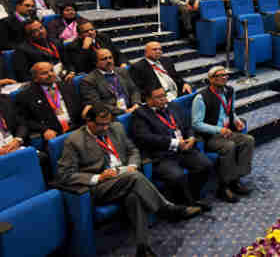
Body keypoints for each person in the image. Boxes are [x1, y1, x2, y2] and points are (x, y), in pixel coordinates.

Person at [57, 104, 201, 257]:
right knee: (135, 177)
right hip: (101, 186)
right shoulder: (74, 141)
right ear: (89, 122)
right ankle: (167, 209)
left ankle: (142, 248)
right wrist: (98, 177)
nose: (106, 128)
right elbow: (64, 174)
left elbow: (133, 150)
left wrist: (132, 165)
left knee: (134, 196)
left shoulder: (116, 128)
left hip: (126, 175)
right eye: (101, 125)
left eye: (108, 123)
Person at [131, 87, 213, 210]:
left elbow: (187, 125)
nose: (164, 99)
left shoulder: (172, 106)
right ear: (148, 100)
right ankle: (186, 206)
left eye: (164, 95)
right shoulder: (140, 114)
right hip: (162, 155)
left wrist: (191, 137)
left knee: (205, 165)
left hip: (184, 149)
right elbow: (145, 138)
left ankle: (193, 197)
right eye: (159, 97)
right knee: (177, 176)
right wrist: (174, 143)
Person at [192, 67, 255, 203]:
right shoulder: (201, 97)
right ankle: (224, 187)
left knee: (248, 140)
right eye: (220, 76)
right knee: (229, 146)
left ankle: (236, 179)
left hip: (228, 131)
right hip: (211, 136)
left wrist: (236, 120)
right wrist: (218, 130)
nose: (225, 77)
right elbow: (196, 124)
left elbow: (231, 111)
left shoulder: (230, 91)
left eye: (226, 75)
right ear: (211, 79)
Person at [16, 62, 81, 140]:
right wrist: (44, 130)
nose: (50, 74)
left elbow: (78, 106)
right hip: (55, 133)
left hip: (76, 127)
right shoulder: (27, 95)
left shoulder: (67, 86)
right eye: (44, 73)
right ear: (35, 78)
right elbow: (26, 120)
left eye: (51, 70)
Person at [80, 49, 142, 116]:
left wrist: (135, 104)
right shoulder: (89, 81)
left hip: (133, 108)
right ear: (96, 62)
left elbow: (134, 89)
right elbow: (98, 104)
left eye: (110, 57)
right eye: (104, 59)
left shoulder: (122, 71)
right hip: (112, 115)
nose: (109, 61)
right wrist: (124, 111)